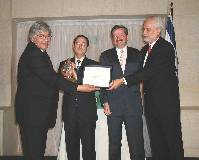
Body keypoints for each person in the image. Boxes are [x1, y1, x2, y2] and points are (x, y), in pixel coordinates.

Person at [15, 21, 99, 160]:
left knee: (37, 150)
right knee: (34, 152)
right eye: (42, 36)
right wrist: (79, 87)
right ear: (32, 37)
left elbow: (50, 80)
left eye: (48, 36)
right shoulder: (35, 54)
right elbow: (53, 79)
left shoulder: (40, 53)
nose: (46, 40)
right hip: (33, 113)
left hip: (39, 113)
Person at [108, 16, 184, 160]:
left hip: (167, 106)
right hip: (151, 105)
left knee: (171, 142)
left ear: (158, 31)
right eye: (144, 29)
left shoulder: (165, 48)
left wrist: (122, 80)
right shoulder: (144, 51)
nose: (144, 32)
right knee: (156, 143)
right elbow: (136, 73)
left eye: (148, 29)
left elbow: (148, 72)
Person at [99, 25, 145, 160]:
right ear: (112, 39)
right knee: (114, 144)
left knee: (136, 143)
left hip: (133, 105)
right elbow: (103, 81)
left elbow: (142, 75)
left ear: (127, 37)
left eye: (121, 35)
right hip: (113, 106)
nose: (118, 38)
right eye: (115, 36)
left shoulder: (138, 54)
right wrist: (104, 101)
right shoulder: (105, 55)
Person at [58, 35, 98, 160]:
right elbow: (61, 85)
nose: (80, 45)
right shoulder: (64, 64)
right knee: (71, 148)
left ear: (87, 47)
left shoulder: (94, 65)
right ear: (73, 45)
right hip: (70, 113)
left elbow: (95, 86)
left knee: (89, 148)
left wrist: (75, 75)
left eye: (83, 43)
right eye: (77, 43)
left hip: (87, 113)